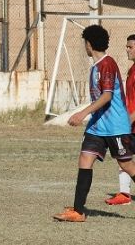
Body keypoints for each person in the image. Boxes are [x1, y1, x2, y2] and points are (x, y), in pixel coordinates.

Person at [54, 25, 135, 222]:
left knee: (127, 165)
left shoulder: (107, 64)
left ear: (89, 44)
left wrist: (82, 113)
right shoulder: (97, 66)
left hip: (115, 126)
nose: (85, 47)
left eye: (85, 43)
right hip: (98, 126)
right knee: (84, 160)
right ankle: (78, 211)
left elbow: (107, 96)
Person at [106, 34, 135, 206]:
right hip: (130, 125)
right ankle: (124, 194)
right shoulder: (132, 70)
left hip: (131, 124)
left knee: (124, 157)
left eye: (130, 47)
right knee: (123, 158)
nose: (127, 50)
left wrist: (128, 120)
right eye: (127, 46)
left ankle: (125, 194)